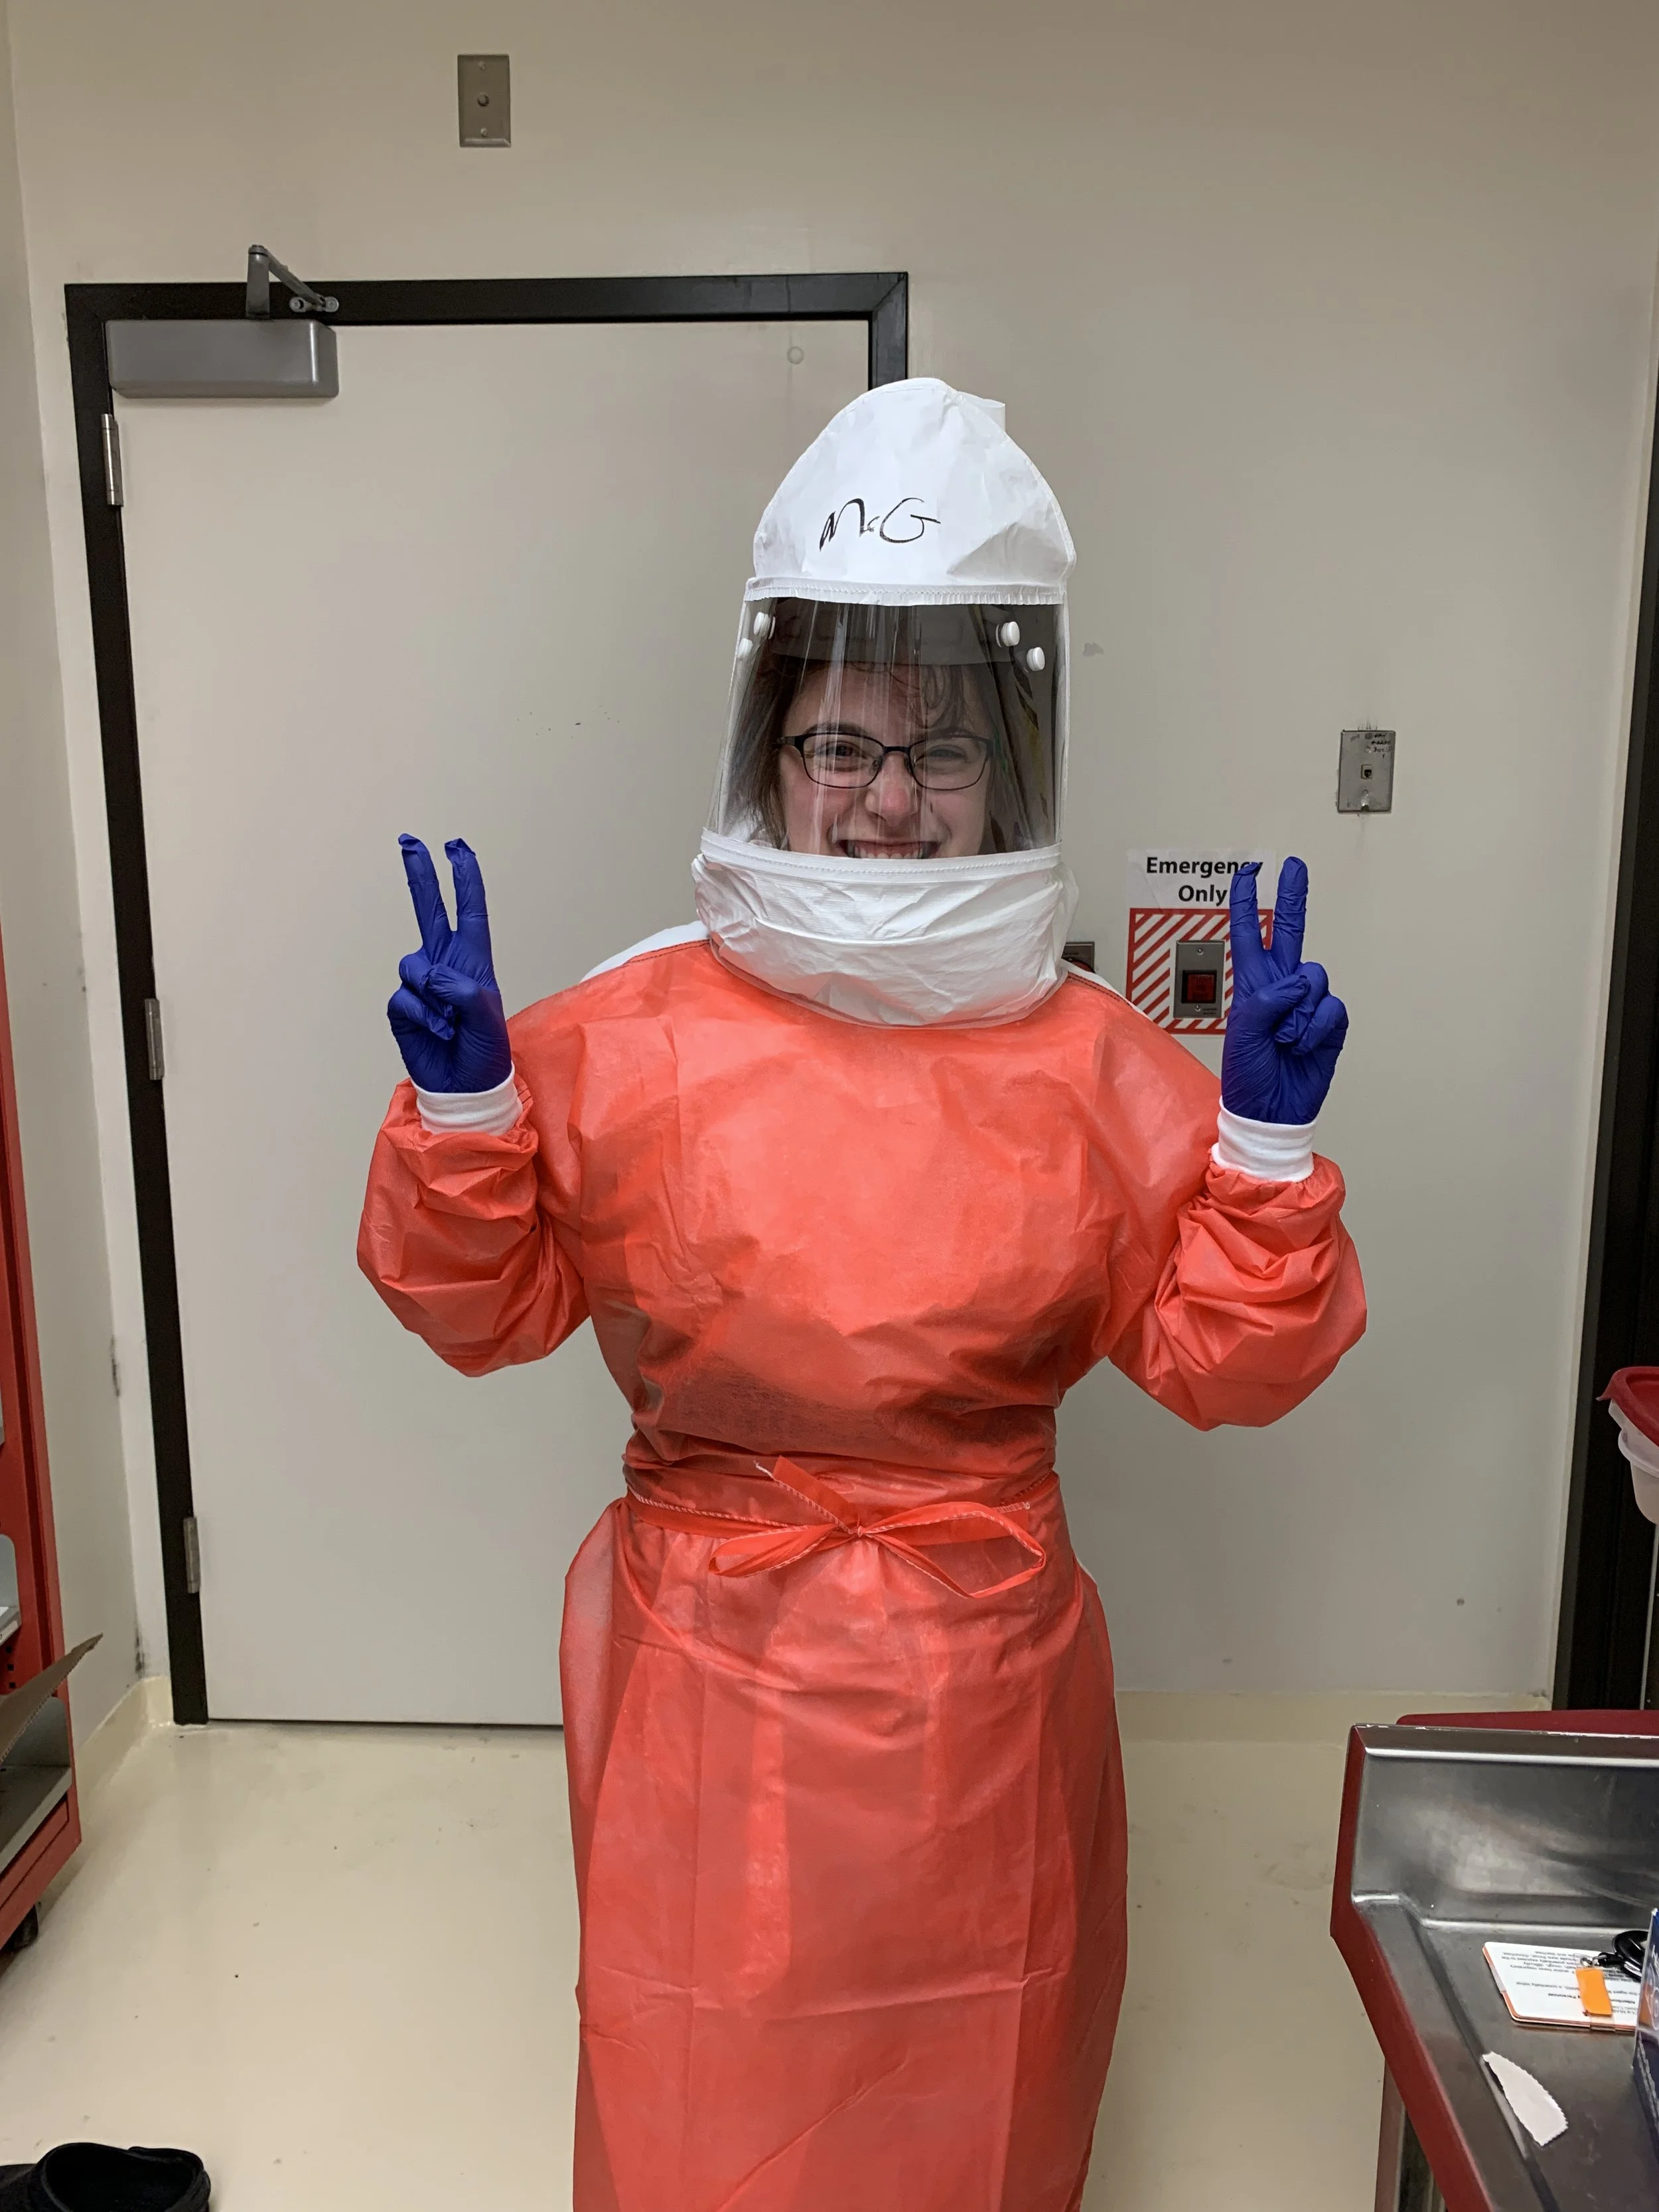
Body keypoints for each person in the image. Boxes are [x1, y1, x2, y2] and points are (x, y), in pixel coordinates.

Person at [358, 379, 1366, 2212]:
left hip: (977, 1696)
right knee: (695, 2074)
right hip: (705, 1684)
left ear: (1008, 766)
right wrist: (466, 1108)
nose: (890, 802)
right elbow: (480, 1304)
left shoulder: (1090, 1064)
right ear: (767, 755)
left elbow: (1226, 1362)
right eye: (839, 747)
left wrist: (1267, 1152)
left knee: (971, 2074)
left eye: (940, 756)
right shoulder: (632, 1034)